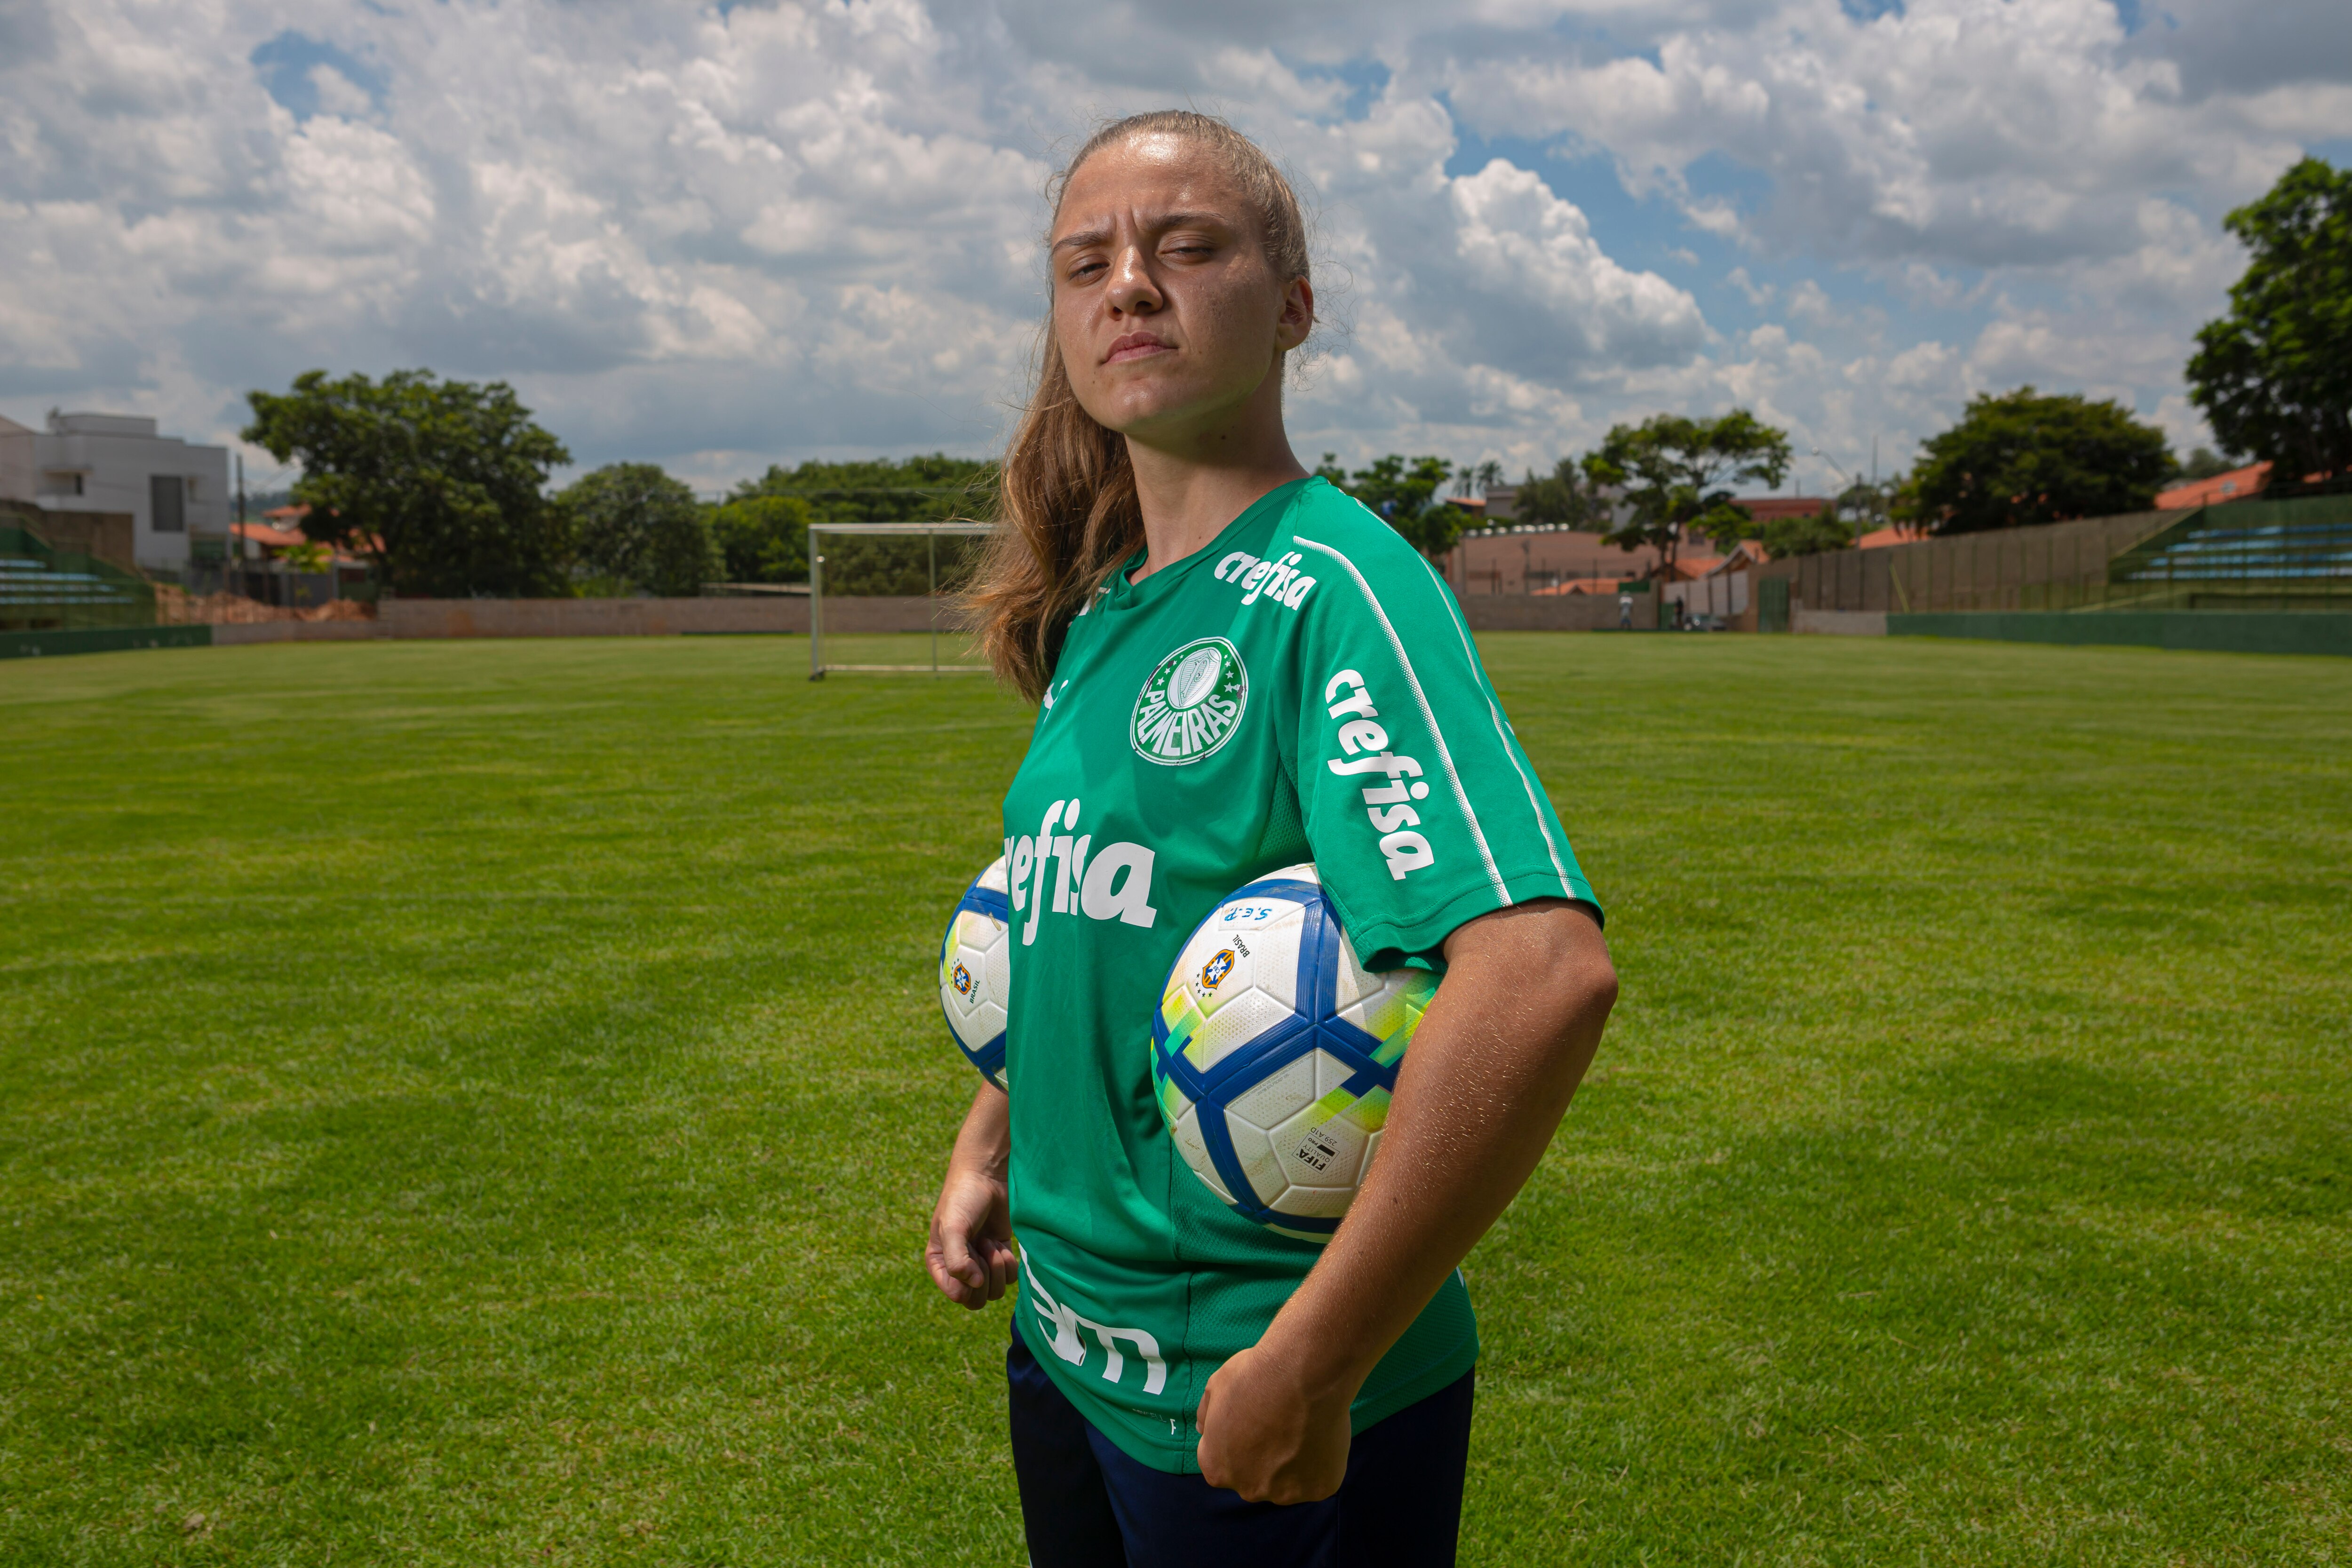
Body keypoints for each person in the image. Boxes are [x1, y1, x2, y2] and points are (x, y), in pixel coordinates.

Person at [925, 110, 1618, 1568]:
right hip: (1066, 1340)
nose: (1129, 285)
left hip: (1245, 1383)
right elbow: (1101, 917)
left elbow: (1540, 971)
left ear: (1292, 305)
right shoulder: (1105, 615)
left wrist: (1315, 1362)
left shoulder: (1333, 584)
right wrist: (993, 1139)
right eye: (1086, 262)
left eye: (1187, 248)